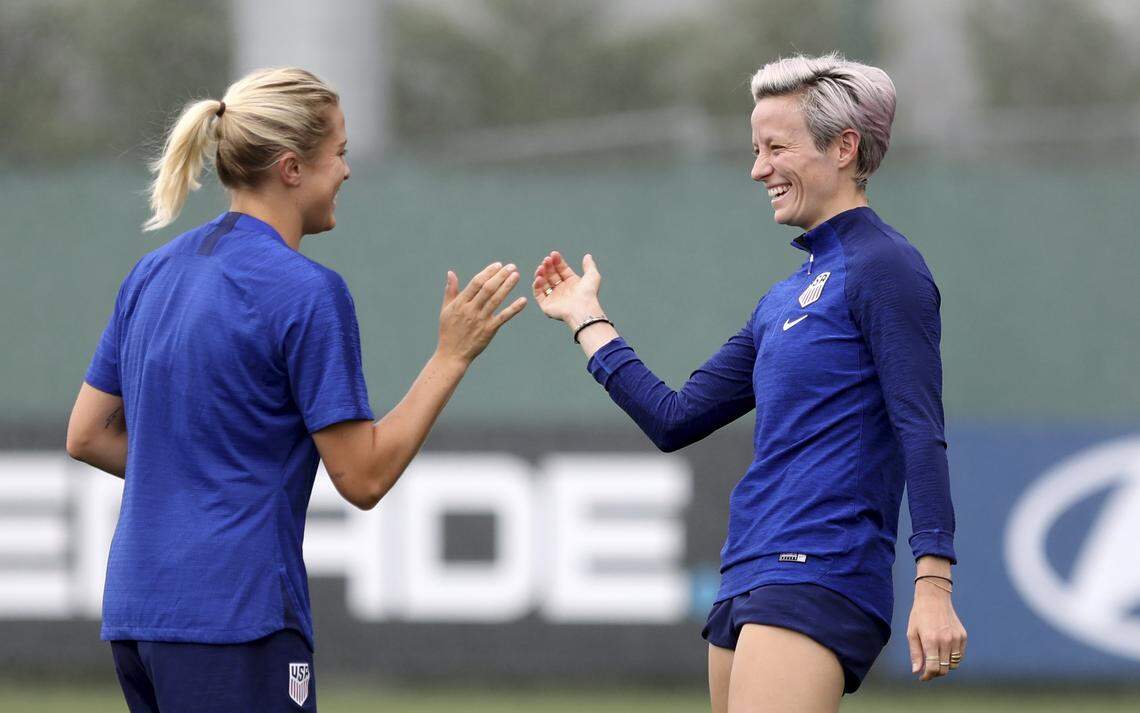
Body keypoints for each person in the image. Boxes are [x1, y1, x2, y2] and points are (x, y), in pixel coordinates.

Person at [64, 67, 526, 713]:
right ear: (290, 168)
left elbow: (87, 434)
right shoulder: (305, 289)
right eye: (338, 153)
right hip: (236, 615)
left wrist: (200, 472)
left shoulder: (153, 271)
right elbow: (362, 477)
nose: (345, 171)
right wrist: (451, 356)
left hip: (137, 612)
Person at [532, 53, 966, 713]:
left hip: (820, 570)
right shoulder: (783, 298)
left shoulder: (886, 267)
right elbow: (675, 417)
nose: (757, 168)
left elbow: (920, 427)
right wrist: (587, 318)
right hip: (748, 572)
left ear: (844, 147)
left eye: (775, 147)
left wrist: (933, 581)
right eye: (755, 148)